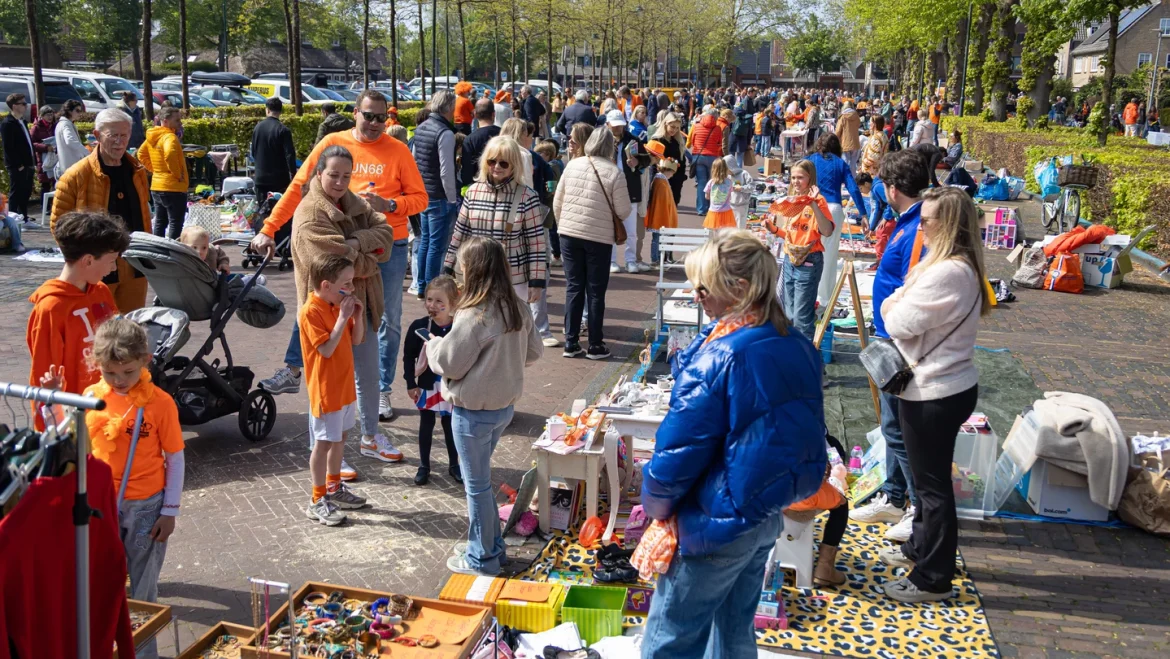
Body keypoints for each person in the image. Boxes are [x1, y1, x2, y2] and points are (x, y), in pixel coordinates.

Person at [640, 230, 825, 659]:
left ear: (738, 290)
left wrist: (655, 507)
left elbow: (677, 454)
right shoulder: (794, 342)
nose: (696, 295)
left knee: (670, 640)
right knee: (735, 633)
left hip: (715, 522)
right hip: (760, 516)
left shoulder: (721, 354)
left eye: (703, 287)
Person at [254, 90, 426, 444]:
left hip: (385, 245)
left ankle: (379, 391)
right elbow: (299, 186)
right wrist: (269, 228)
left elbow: (420, 199)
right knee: (319, 308)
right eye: (369, 116)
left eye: (383, 118)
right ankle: (297, 371)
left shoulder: (398, 150)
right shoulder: (333, 143)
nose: (376, 124)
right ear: (355, 113)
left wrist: (389, 204)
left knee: (386, 319)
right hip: (339, 248)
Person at [40, 317, 184, 659]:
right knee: (101, 584)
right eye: (110, 373)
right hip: (100, 504)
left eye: (128, 372)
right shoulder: (91, 397)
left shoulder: (160, 403)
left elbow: (175, 459)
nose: (119, 381)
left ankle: (145, 653)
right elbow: (67, 439)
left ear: (145, 362)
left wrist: (170, 510)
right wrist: (51, 402)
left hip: (148, 506)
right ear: (97, 366)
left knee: (143, 589)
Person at [879, 186, 988, 603]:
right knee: (928, 482)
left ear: (948, 225)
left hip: (935, 390)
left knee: (931, 486)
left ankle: (933, 578)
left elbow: (898, 319)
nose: (919, 227)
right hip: (939, 385)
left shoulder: (949, 271)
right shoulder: (946, 265)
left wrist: (894, 304)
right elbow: (898, 306)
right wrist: (897, 302)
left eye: (926, 221)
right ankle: (921, 550)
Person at [428, 237, 543, 575]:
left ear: (473, 270)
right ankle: (493, 548)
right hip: (502, 409)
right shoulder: (517, 306)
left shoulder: (474, 313)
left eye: (463, 267)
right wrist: (504, 359)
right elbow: (534, 352)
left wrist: (435, 346)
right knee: (478, 482)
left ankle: (483, 557)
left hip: (473, 412)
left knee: (476, 486)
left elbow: (449, 362)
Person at [290, 144, 397, 477]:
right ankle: (322, 450)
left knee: (367, 375)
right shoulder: (309, 214)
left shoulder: (356, 203)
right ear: (319, 173)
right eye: (333, 174)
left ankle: (369, 436)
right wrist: (367, 254)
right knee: (325, 384)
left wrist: (355, 243)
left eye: (346, 176)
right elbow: (332, 265)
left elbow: (387, 236)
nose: (339, 181)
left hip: (359, 305)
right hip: (325, 310)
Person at [848, 149, 930, 542]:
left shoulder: (917, 229)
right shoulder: (907, 222)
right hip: (892, 336)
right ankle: (896, 497)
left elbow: (916, 287)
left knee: (898, 429)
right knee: (890, 424)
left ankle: (915, 508)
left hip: (900, 341)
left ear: (892, 189)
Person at [27, 210, 128, 430]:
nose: (113, 268)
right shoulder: (51, 308)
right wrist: (48, 433)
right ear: (88, 260)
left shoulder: (100, 291)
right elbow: (43, 376)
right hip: (75, 419)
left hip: (109, 408)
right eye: (111, 261)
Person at [50, 109, 151, 312]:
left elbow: (144, 216)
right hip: (96, 272)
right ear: (97, 136)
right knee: (98, 334)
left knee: (131, 330)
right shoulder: (76, 176)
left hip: (135, 266)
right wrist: (83, 264)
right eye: (112, 135)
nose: (119, 142)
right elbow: (58, 225)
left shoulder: (137, 171)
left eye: (124, 135)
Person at [300, 253, 368, 527]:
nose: (351, 289)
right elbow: (326, 349)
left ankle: (334, 487)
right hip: (326, 389)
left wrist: (358, 317)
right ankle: (317, 499)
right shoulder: (312, 311)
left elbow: (357, 339)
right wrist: (343, 318)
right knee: (324, 443)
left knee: (340, 438)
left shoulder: (336, 304)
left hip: (344, 386)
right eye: (346, 283)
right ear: (326, 285)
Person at [553, 128, 629, 360]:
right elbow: (624, 210)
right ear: (610, 147)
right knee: (595, 291)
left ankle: (571, 341)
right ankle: (595, 344)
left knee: (574, 287)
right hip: (598, 237)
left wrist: (564, 224)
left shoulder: (572, 165)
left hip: (569, 233)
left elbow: (558, 201)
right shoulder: (614, 172)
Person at [443, 135, 547, 302]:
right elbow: (460, 234)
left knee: (510, 326)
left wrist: (536, 282)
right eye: (492, 161)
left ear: (514, 165)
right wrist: (448, 268)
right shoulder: (473, 192)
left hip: (513, 277)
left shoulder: (527, 196)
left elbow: (536, 243)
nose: (497, 167)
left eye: (504, 163)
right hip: (475, 274)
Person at [403, 275, 463, 486]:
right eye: (429, 300)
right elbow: (408, 356)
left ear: (452, 304)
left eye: (440, 302)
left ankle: (454, 464)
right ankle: (424, 465)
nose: (433, 305)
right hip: (428, 384)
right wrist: (411, 383)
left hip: (450, 385)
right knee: (426, 424)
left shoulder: (459, 327)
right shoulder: (419, 326)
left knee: (450, 425)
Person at [771, 159, 834, 341]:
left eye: (801, 177)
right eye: (793, 177)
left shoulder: (818, 201)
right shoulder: (792, 200)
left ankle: (807, 362)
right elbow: (792, 236)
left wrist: (813, 204)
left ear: (810, 178)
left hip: (809, 261)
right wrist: (774, 229)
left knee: (802, 318)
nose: (796, 181)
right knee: (789, 315)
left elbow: (827, 231)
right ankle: (794, 356)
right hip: (790, 260)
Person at [808, 133, 868, 307]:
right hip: (833, 208)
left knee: (808, 248)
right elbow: (854, 189)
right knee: (829, 254)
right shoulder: (840, 163)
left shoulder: (811, 159)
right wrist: (863, 214)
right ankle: (825, 298)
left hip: (813, 205)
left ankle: (809, 291)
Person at [413, 90, 460, 297]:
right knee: (437, 246)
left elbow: (415, 162)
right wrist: (452, 199)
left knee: (425, 241)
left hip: (423, 193)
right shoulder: (445, 133)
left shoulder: (421, 128)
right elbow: (446, 170)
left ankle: (422, 285)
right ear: (449, 108)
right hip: (439, 196)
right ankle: (432, 288)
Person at [603, 110, 650, 274]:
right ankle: (611, 260)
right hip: (608, 188)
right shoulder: (602, 141)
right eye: (615, 126)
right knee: (610, 228)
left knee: (631, 229)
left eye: (620, 126)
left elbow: (646, 159)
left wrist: (637, 162)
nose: (618, 129)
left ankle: (630, 260)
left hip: (630, 187)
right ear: (607, 124)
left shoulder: (632, 139)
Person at [139, 106, 189, 239]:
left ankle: (157, 252)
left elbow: (141, 154)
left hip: (157, 186)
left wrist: (155, 170)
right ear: (165, 121)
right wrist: (177, 174)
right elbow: (170, 154)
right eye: (177, 120)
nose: (180, 123)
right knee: (175, 223)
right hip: (173, 187)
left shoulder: (153, 136)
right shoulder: (169, 137)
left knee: (160, 222)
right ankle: (172, 255)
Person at [251, 97, 299, 208]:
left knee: (263, 212)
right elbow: (290, 155)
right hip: (279, 179)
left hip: (260, 177)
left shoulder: (257, 128)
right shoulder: (283, 130)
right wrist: (293, 173)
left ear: (267, 110)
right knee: (280, 212)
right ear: (281, 111)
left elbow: (253, 152)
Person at [643, 140, 678, 265]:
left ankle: (658, 259)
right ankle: (655, 259)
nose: (672, 176)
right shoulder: (661, 182)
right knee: (657, 240)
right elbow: (662, 202)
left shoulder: (660, 181)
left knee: (658, 240)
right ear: (668, 171)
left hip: (661, 217)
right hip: (660, 217)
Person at [1, 93, 35, 223]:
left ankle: (24, 218)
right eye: (23, 103)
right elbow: (8, 147)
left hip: (28, 163)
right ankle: (13, 219)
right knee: (17, 192)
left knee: (26, 192)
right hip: (18, 166)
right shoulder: (8, 123)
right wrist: (19, 164)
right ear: (14, 106)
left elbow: (27, 143)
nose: (26, 106)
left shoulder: (22, 122)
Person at [687, 107, 723, 216]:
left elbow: (692, 141)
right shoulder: (717, 129)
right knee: (712, 183)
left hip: (698, 156)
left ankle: (701, 209)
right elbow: (719, 142)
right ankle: (711, 207)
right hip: (712, 157)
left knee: (701, 183)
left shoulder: (696, 126)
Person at [461, 99, 501, 189]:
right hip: (503, 185)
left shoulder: (470, 139)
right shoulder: (504, 134)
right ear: (493, 114)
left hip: (479, 186)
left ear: (475, 114)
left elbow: (467, 170)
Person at [650, 112, 687, 206]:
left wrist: (680, 179)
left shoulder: (678, 142)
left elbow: (682, 162)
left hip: (675, 184)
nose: (674, 130)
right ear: (665, 124)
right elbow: (652, 163)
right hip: (660, 182)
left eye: (677, 128)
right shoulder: (656, 140)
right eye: (672, 126)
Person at [52, 100, 88, 179]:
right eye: (77, 110)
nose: (80, 113)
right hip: (71, 167)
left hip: (67, 167)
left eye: (80, 111)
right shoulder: (66, 124)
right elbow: (70, 141)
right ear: (69, 111)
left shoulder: (62, 123)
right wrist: (87, 153)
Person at [30, 105, 57, 204]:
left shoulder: (55, 125)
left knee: (56, 183)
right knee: (45, 184)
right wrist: (45, 147)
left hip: (55, 157)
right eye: (47, 115)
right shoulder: (36, 128)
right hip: (43, 159)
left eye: (51, 114)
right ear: (42, 116)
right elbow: (32, 143)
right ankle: (44, 206)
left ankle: (54, 204)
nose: (50, 117)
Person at [702, 157, 736, 230]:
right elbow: (730, 194)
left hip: (713, 211)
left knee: (711, 231)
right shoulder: (729, 182)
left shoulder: (711, 182)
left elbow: (706, 197)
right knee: (725, 232)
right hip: (726, 211)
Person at [835, 101, 862, 172]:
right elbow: (858, 125)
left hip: (845, 142)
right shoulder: (856, 116)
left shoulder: (843, 117)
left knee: (845, 162)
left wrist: (836, 140)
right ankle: (852, 178)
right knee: (853, 163)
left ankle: (846, 179)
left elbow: (838, 131)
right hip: (855, 142)